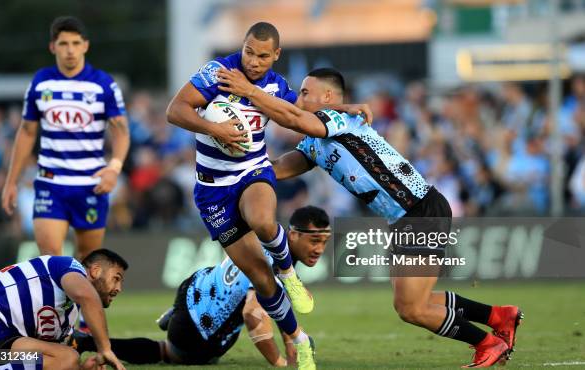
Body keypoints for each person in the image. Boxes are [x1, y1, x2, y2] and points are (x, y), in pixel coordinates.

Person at [216, 67, 523, 368]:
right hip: (404, 218)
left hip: (419, 210)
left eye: (306, 92)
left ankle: (487, 343)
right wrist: (236, 162)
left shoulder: (339, 118)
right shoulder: (314, 141)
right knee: (412, 302)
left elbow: (295, 118)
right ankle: (499, 317)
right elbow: (279, 167)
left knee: (411, 308)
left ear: (327, 97)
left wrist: (249, 91)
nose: (300, 97)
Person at [166, 21, 368, 370]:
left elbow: (298, 114)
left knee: (262, 220)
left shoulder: (276, 85)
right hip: (212, 191)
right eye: (248, 52)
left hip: (252, 171)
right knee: (260, 278)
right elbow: (176, 110)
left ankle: (289, 274)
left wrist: (343, 111)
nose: (254, 61)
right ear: (242, 46)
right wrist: (215, 129)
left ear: (276, 55)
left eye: (262, 56)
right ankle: (299, 339)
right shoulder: (217, 73)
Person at [71, 206, 332, 367]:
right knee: (176, 355)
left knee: (173, 346)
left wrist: (290, 339)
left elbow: (276, 301)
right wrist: (278, 362)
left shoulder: (270, 242)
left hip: (196, 286)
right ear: (294, 235)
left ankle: (172, 317)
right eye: (315, 241)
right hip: (199, 323)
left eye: (324, 242)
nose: (319, 249)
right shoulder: (275, 265)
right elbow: (253, 316)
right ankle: (86, 342)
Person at [1, 16, 130, 261]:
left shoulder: (103, 85)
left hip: (91, 182)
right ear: (53, 47)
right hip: (51, 181)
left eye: (75, 43)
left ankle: (80, 301)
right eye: (63, 44)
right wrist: (11, 181)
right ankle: (58, 301)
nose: (70, 50)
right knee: (51, 259)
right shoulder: (41, 82)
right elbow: (27, 132)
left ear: (85, 46)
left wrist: (114, 168)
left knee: (88, 260)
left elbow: (121, 132)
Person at [0, 249, 128, 370]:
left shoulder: (69, 315)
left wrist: (81, 368)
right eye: (116, 278)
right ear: (95, 271)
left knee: (67, 358)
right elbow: (86, 295)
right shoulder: (67, 266)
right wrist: (105, 348)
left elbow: (40, 359)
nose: (119, 288)